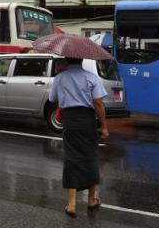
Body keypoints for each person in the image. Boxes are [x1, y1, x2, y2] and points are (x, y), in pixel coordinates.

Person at [48, 56, 109, 218]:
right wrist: (104, 127)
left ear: (67, 61)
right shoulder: (91, 77)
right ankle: (91, 200)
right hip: (87, 120)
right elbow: (98, 104)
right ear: (82, 60)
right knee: (91, 158)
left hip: (70, 121)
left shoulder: (60, 78)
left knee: (71, 158)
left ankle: (72, 204)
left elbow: (52, 99)